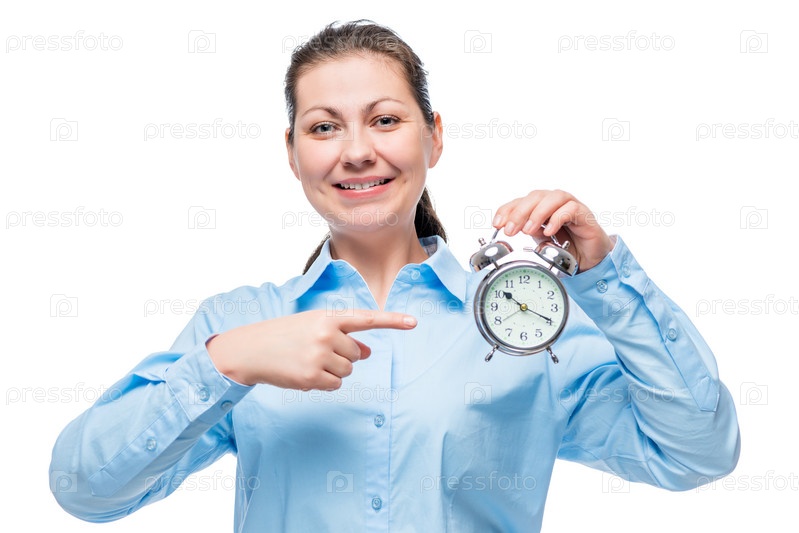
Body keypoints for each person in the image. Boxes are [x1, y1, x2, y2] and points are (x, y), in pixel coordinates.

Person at [50, 20, 740, 532]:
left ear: (433, 136)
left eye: (384, 120)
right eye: (323, 128)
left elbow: (697, 453)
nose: (356, 151)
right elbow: (84, 488)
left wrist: (605, 277)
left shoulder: (532, 325)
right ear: (291, 153)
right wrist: (225, 362)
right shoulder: (239, 324)